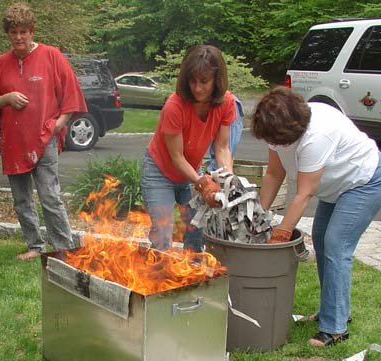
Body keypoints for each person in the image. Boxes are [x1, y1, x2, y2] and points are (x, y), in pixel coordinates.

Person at [251, 86, 381, 347]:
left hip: (364, 181)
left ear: (294, 130)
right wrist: (258, 217)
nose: (274, 145)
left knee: (336, 244)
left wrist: (280, 235)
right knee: (321, 239)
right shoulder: (275, 128)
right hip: (336, 187)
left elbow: (303, 194)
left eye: (278, 141)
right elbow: (274, 175)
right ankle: (333, 310)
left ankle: (335, 329)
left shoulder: (316, 135)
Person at [0, 3, 87, 260]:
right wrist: (6, 97)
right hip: (13, 142)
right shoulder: (2, 63)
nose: (19, 37)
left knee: (50, 197)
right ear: (8, 33)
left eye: (23, 31)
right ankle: (35, 246)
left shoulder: (51, 56)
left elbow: (72, 98)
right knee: (21, 200)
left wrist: (56, 126)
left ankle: (63, 248)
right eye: (13, 32)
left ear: (32, 31)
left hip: (44, 140)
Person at [141, 44, 236, 252]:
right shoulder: (174, 106)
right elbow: (176, 156)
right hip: (159, 172)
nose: (198, 88)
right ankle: (158, 280)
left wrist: (227, 181)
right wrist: (202, 183)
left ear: (216, 80)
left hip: (191, 171)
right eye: (192, 81)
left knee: (196, 232)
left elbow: (222, 147)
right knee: (162, 236)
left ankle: (193, 279)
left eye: (204, 81)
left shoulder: (226, 102)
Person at [206, 94, 244, 173]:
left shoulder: (227, 101)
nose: (198, 88)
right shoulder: (178, 103)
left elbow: (222, 149)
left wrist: (227, 179)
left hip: (218, 171)